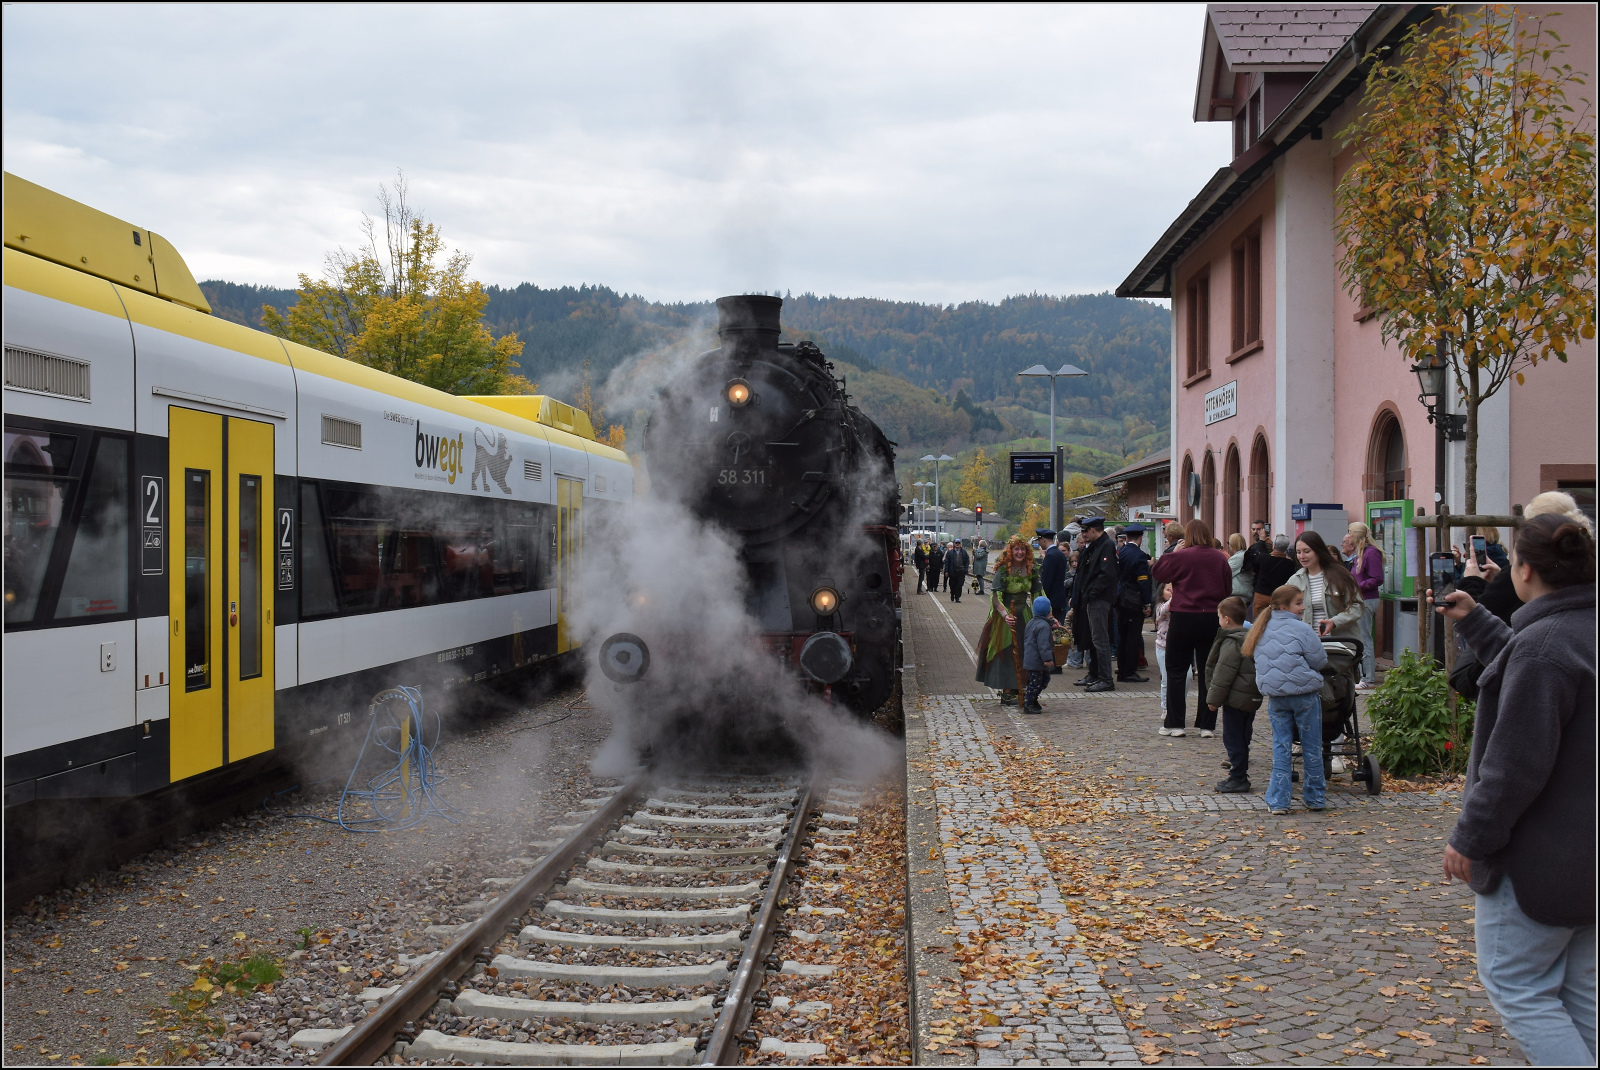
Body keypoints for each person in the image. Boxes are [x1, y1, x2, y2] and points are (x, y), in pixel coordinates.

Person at [1432, 513, 1595, 1065]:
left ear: (1522, 569)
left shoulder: (1545, 645)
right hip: (1587, 853)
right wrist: (1477, 620)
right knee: (1580, 996)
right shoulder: (1573, 633)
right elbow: (1537, 666)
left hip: (1539, 858)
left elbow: (1514, 764)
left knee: (1518, 987)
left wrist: (1471, 838)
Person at [1245, 584, 1329, 815]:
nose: (1303, 607)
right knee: (1311, 746)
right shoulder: (1301, 629)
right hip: (1304, 695)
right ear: (1285, 606)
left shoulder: (1260, 628)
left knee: (1281, 747)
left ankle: (1279, 801)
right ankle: (1315, 797)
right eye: (1299, 603)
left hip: (1277, 697)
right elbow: (1320, 660)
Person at [1151, 518, 1233, 736]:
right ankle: (1207, 725)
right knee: (1209, 671)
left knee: (1176, 669)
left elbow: (1158, 573)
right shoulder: (1219, 557)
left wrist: (1172, 551)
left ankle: (1175, 723)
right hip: (1210, 618)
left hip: (1184, 616)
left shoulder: (1182, 556)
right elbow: (1228, 588)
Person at [976, 536, 1043, 707]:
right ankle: (1007, 692)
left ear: (1027, 552)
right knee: (1006, 652)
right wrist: (1006, 616)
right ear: (1010, 551)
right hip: (1005, 616)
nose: (1019, 552)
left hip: (1024, 615)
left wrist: (1045, 615)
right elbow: (996, 597)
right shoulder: (1004, 570)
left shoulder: (1031, 569)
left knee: (1024, 651)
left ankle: (1020, 688)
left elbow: (1037, 594)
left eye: (1022, 549)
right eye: (1016, 549)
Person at [1207, 596, 1261, 793]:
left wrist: (1213, 700)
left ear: (1226, 619)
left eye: (1219, 616)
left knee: (1233, 737)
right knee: (1244, 734)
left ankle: (1238, 776)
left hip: (1236, 699)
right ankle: (1240, 773)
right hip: (1250, 696)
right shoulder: (1250, 638)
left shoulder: (1231, 642)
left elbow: (1223, 673)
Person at [1286, 530, 1365, 643]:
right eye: (1298, 552)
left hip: (1340, 644)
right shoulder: (1295, 580)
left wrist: (1335, 622)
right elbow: (1282, 608)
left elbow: (1358, 606)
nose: (1302, 556)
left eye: (1307, 551)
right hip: (1307, 644)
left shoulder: (1340, 575)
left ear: (1318, 551)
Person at [1072, 517, 1120, 693]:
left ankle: (1106, 678)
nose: (1083, 535)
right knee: (1093, 639)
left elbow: (1107, 575)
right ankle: (1095, 673)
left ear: (1093, 530)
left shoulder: (1106, 545)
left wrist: (1092, 593)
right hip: (1091, 599)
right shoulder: (1094, 546)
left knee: (1100, 639)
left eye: (1085, 531)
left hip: (1099, 599)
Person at [1346, 521, 1384, 688]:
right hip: (1359, 598)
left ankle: (1368, 677)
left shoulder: (1371, 553)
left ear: (1356, 536)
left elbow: (1377, 578)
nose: (1347, 537)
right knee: (1359, 636)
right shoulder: (1361, 553)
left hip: (1367, 599)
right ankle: (1363, 674)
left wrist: (1358, 586)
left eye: (1349, 534)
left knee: (1364, 637)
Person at [1114, 523, 1152, 683]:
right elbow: (1143, 581)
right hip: (1133, 599)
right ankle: (1129, 671)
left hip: (1120, 598)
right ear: (1140, 538)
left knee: (1122, 636)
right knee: (1133, 637)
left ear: (1127, 537)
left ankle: (1122, 669)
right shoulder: (1140, 555)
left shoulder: (1121, 552)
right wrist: (1147, 603)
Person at [1152, 583, 1192, 733]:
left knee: (1187, 677)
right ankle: (1166, 707)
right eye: (1169, 590)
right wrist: (1177, 596)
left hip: (1182, 647)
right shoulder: (1161, 607)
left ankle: (1178, 704)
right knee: (1167, 679)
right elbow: (1165, 610)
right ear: (1162, 592)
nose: (1172, 593)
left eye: (1175, 590)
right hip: (1163, 648)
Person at [1021, 595, 1057, 714]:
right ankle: (1029, 703)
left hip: (1032, 658)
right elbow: (1043, 645)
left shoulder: (1032, 622)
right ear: (1048, 611)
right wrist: (1047, 659)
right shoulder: (1043, 626)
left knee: (1042, 680)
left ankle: (1033, 699)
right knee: (1036, 683)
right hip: (1037, 660)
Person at [1240, 521, 1273, 619]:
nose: (1256, 532)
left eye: (1259, 529)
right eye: (1253, 529)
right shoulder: (1255, 547)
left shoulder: (1268, 545)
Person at [1040, 530, 1069, 623]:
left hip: (1052, 599)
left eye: (1039, 540)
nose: (1039, 543)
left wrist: (1043, 597)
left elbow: (1047, 580)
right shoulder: (1059, 554)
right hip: (1059, 597)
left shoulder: (1050, 556)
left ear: (1043, 540)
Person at [1227, 533, 1253, 601]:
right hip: (1244, 593)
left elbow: (1225, 573)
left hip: (1240, 594)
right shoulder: (1244, 555)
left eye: (1229, 543)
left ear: (1233, 544)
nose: (1229, 545)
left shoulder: (1238, 558)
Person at [944, 539, 970, 603]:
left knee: (959, 585)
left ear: (960, 544)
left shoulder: (964, 552)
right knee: (952, 585)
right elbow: (947, 562)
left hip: (961, 571)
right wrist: (946, 571)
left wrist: (965, 568)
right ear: (954, 544)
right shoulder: (950, 552)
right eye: (956, 543)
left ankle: (957, 597)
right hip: (953, 571)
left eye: (958, 543)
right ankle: (952, 594)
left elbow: (967, 561)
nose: (957, 544)